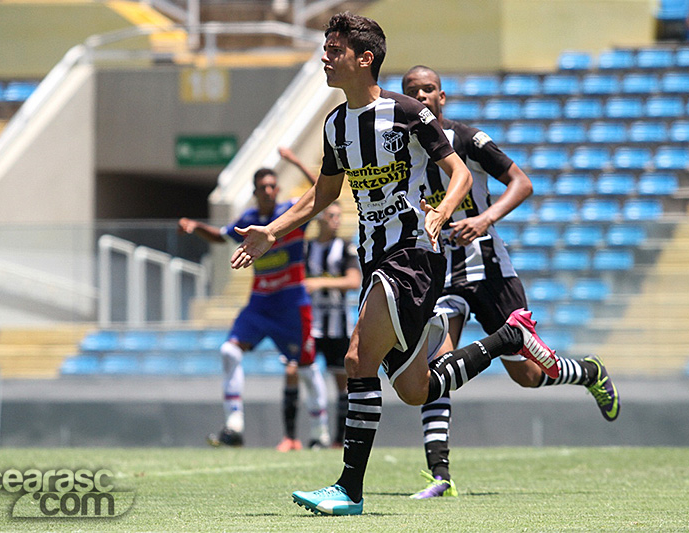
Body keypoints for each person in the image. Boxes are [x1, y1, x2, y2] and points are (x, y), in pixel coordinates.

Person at [230, 12, 560, 516]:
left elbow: (459, 175)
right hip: (374, 258)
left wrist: (442, 213)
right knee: (414, 389)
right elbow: (323, 194)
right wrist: (272, 231)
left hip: (411, 255)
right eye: (325, 48)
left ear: (364, 59)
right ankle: (507, 339)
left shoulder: (408, 113)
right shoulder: (335, 124)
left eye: (334, 50)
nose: (325, 57)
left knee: (357, 359)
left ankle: (348, 491)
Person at [400, 65, 621, 499]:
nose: (422, 96)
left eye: (429, 90)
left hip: (490, 269)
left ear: (442, 97)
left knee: (529, 375)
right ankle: (439, 475)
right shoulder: (402, 148)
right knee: (434, 364)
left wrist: (483, 219)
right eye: (413, 91)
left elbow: (522, 183)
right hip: (441, 269)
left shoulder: (468, 139)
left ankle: (588, 371)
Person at [178, 152, 330, 452]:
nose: (269, 191)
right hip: (260, 304)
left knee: (306, 368)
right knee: (229, 351)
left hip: (292, 304)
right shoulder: (248, 221)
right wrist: (196, 227)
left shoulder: (291, 213)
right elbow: (222, 236)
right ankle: (234, 427)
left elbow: (323, 194)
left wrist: (298, 162)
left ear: (278, 189)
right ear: (255, 192)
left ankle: (320, 434)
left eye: (273, 186)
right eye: (263, 187)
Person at [304, 200, 362, 447]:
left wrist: (319, 283)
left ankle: (340, 439)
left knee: (342, 383)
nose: (336, 220)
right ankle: (297, 436)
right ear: (320, 218)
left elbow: (354, 281)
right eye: (331, 215)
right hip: (310, 325)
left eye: (339, 216)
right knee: (298, 372)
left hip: (337, 326)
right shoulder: (307, 248)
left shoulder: (345, 247)